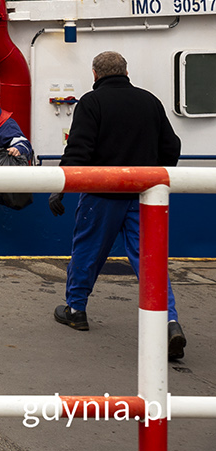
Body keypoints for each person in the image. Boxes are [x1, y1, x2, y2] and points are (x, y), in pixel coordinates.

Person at [50, 51, 185, 361]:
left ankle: (75, 310)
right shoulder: (149, 101)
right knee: (150, 258)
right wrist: (154, 179)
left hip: (102, 195)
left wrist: (61, 188)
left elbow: (80, 149)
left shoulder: (92, 103)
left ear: (96, 75)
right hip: (143, 195)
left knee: (87, 251)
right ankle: (169, 321)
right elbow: (171, 147)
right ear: (125, 72)